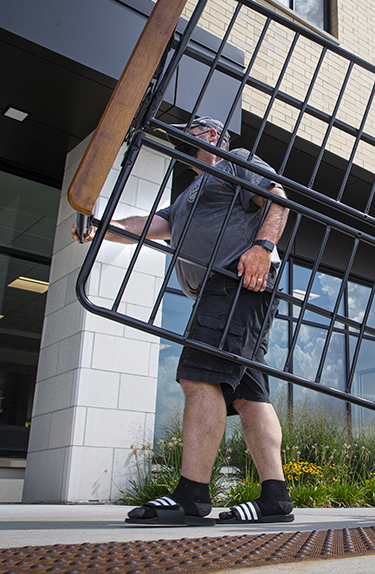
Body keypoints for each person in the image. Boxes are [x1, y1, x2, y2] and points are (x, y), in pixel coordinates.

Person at [71, 116, 293, 526]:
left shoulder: (234, 160)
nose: (179, 137)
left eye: (188, 130)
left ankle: (192, 495)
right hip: (223, 290)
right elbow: (153, 225)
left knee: (198, 377)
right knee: (249, 396)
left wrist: (263, 247)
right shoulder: (191, 191)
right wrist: (103, 229)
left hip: (236, 281)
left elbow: (277, 199)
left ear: (210, 135)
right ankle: (275, 498)